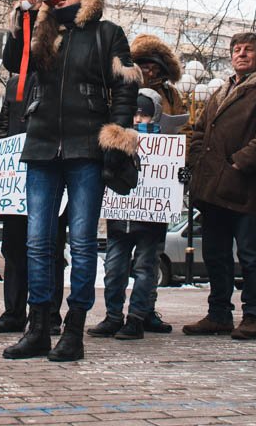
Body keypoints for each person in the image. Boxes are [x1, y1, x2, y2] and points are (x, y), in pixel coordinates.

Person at [0, 0, 138, 362]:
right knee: (37, 242)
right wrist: (24, 16)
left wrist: (117, 135)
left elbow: (126, 88)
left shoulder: (108, 33)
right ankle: (39, 327)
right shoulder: (44, 31)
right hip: (43, 144)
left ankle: (73, 329)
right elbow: (15, 64)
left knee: (80, 241)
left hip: (86, 147)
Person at [181, 32, 256, 341]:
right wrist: (198, 158)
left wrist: (241, 162)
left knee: (250, 253)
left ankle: (255, 316)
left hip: (244, 187)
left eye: (248, 49)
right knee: (215, 254)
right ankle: (219, 314)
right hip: (212, 188)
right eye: (236, 49)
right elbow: (200, 129)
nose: (241, 54)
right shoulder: (221, 90)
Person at [89, 89, 185, 341]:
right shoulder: (115, 140)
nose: (137, 120)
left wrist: (181, 177)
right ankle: (113, 316)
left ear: (154, 117)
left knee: (145, 268)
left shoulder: (166, 144)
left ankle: (136, 318)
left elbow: (173, 174)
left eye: (143, 115)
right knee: (114, 268)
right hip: (120, 219)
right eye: (134, 114)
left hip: (150, 221)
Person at [0, 73, 67, 337]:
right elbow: (3, 125)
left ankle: (48, 315)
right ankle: (13, 313)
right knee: (13, 249)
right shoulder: (15, 84)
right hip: (15, 181)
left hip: (51, 173)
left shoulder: (62, 75)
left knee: (50, 249)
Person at [129, 33, 187, 333]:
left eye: (155, 66)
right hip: (125, 183)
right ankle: (116, 312)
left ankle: (146, 309)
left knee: (151, 254)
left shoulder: (173, 96)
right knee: (118, 254)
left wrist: (180, 174)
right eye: (143, 64)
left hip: (158, 186)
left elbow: (183, 134)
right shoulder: (122, 89)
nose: (149, 71)